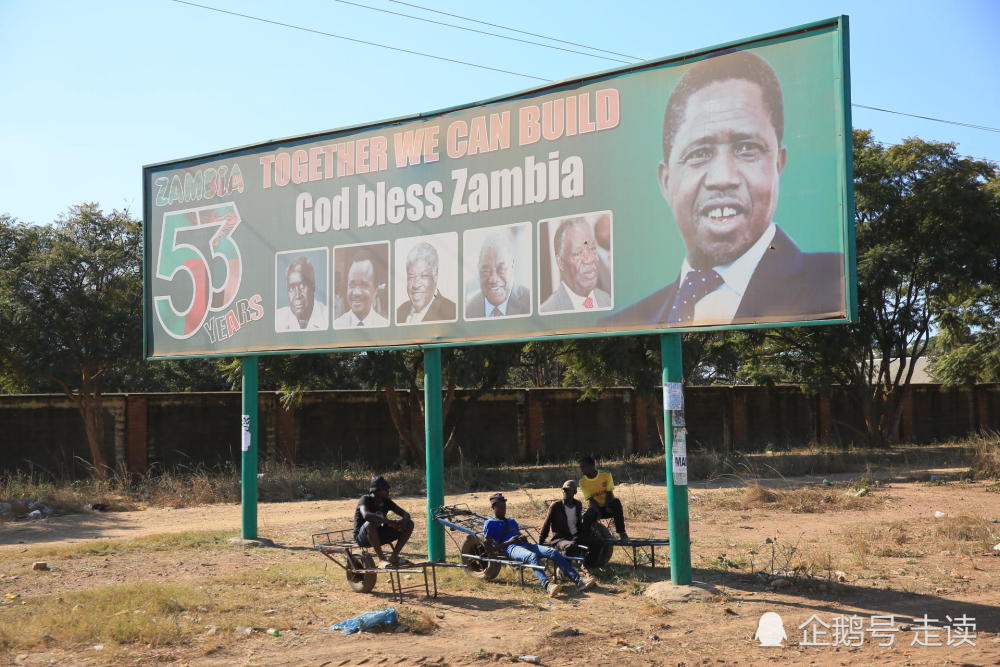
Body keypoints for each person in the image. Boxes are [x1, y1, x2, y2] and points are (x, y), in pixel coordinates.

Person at [602, 50, 843, 327]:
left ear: (778, 163)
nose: (723, 177)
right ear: (666, 181)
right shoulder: (623, 323)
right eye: (699, 153)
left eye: (746, 148)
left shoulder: (839, 285)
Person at [483, 493, 594, 596]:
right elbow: (488, 549)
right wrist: (509, 542)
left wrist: (522, 537)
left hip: (524, 545)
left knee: (553, 552)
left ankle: (579, 580)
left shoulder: (511, 521)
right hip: (510, 548)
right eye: (500, 507)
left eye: (505, 506)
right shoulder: (490, 523)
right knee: (532, 556)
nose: (503, 509)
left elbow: (518, 534)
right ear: (493, 508)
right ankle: (547, 585)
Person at [540, 218, 611, 313]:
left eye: (593, 248)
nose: (589, 259)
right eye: (578, 253)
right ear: (560, 262)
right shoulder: (548, 310)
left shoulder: (606, 299)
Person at [465, 232, 530, 318]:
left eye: (501, 269)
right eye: (486, 271)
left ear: (512, 266)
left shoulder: (531, 303)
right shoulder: (469, 310)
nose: (493, 279)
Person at [354, 475, 414, 568]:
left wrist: (403, 521)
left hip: (378, 535)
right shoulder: (365, 499)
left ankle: (394, 557)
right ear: (377, 490)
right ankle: (382, 559)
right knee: (370, 523)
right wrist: (390, 522)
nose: (388, 491)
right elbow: (366, 515)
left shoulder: (386, 501)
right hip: (363, 537)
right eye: (385, 489)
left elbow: (406, 514)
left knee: (409, 524)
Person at [396, 242, 457, 324]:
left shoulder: (451, 313)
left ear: (435, 276)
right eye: (411, 277)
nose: (416, 285)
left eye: (423, 276)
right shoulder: (400, 312)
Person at [538, 480, 600, 558]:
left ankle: (588, 564)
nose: (565, 492)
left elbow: (579, 523)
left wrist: (584, 534)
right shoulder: (555, 506)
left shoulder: (578, 504)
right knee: (570, 546)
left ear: (574, 492)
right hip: (560, 539)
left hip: (575, 537)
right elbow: (546, 524)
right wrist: (540, 542)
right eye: (564, 490)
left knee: (598, 542)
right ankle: (562, 565)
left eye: (568, 490)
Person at [334, 249, 389, 328]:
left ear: (376, 289)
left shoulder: (384, 327)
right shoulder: (337, 326)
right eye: (352, 285)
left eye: (364, 285)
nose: (356, 292)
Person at [578, 456, 627, 541]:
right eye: (581, 467)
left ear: (592, 466)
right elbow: (591, 499)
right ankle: (585, 537)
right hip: (597, 509)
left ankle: (622, 533)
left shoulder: (606, 474)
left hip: (609, 507)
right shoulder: (582, 482)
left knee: (616, 502)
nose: (581, 469)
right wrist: (597, 512)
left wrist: (607, 506)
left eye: (583, 467)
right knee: (587, 515)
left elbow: (609, 493)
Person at [275, 256, 328, 331]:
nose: (297, 295)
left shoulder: (328, 317)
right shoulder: (278, 318)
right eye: (291, 288)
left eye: (302, 286)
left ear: (313, 285)